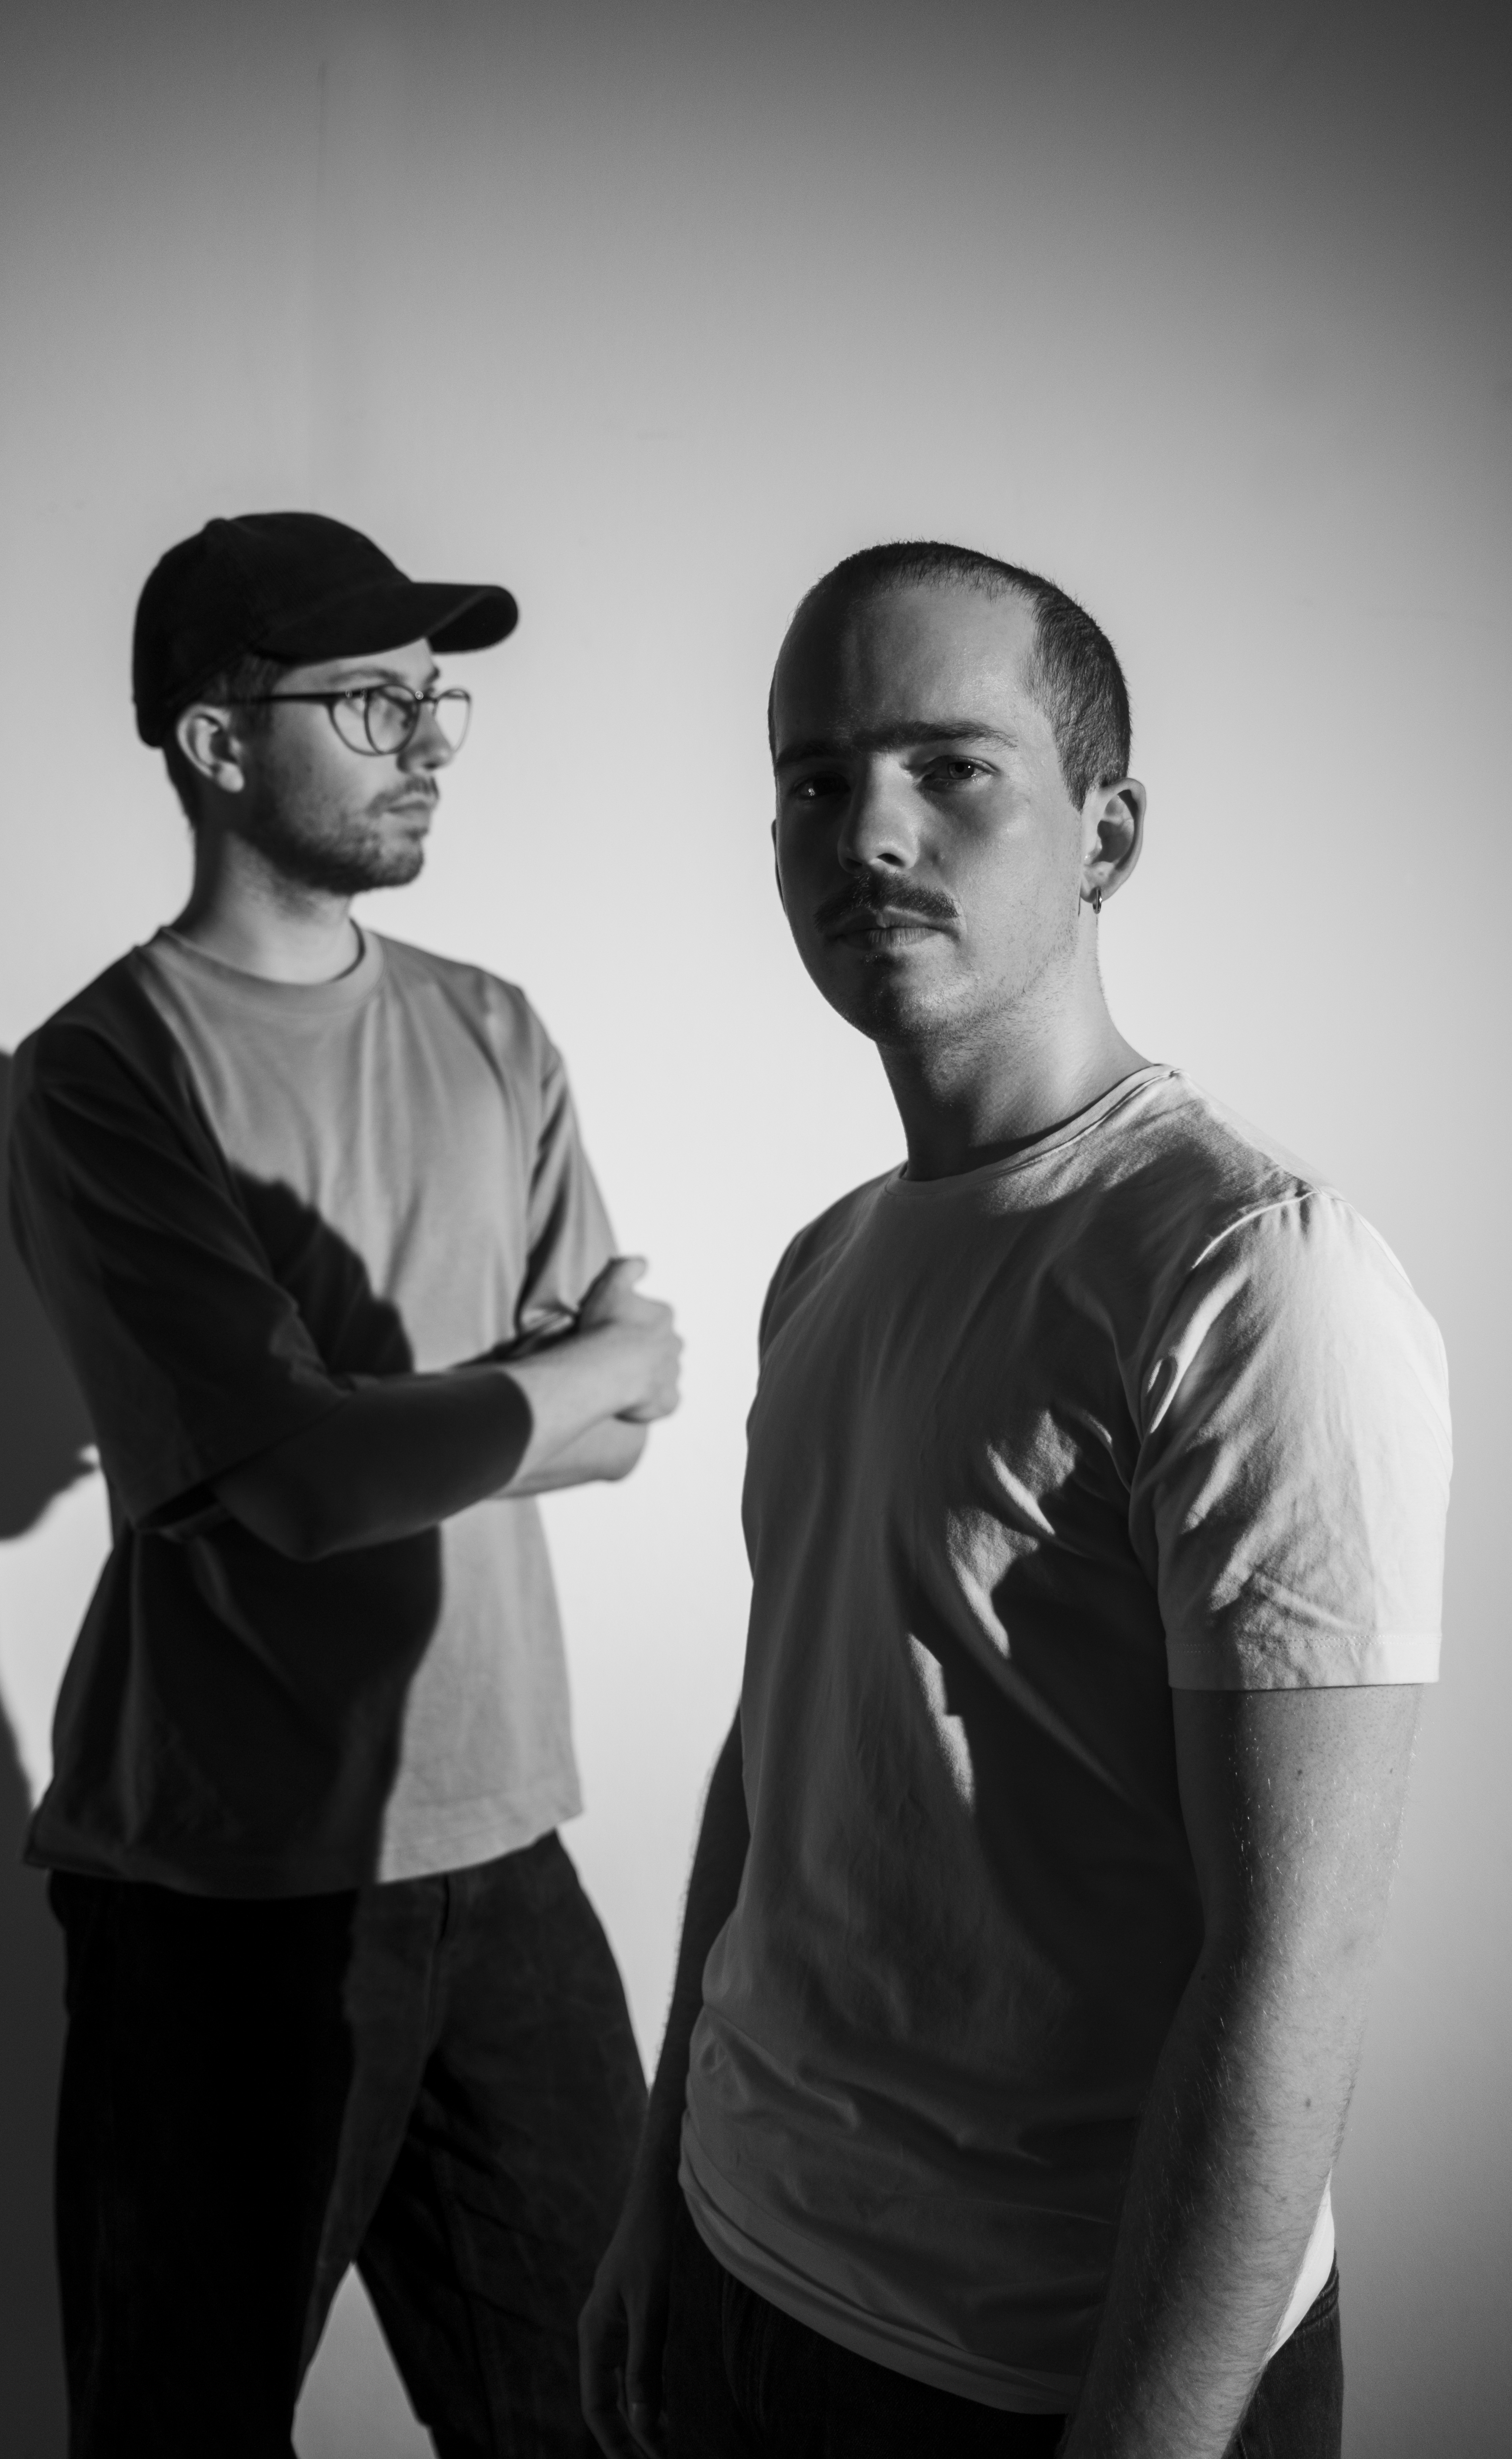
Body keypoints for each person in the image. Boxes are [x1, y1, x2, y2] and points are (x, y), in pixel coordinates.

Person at [579, 542, 1449, 2459]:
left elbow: (1293, 1967)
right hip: (742, 2265)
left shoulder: (1250, 1277)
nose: (868, 832)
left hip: (1047, 2369)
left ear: (1105, 833)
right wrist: (655, 2190)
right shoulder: (828, 1264)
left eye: (949, 767)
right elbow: (779, 1757)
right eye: (816, 780)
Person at [8, 510, 681, 2459]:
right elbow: (317, 1485)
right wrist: (554, 1379)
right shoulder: (106, 1073)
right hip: (226, 1888)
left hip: (505, 1855)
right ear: (219, 744)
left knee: (611, 2418)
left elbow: (623, 1428)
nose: (431, 741)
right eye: (374, 702)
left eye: (437, 698)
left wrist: (397, 1423)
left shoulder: (492, 1027)